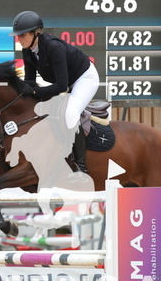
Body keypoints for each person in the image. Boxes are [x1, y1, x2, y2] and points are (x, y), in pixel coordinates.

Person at [10, 10, 99, 173]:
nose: (19, 39)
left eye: (22, 35)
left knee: (70, 113)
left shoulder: (53, 47)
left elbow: (61, 87)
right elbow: (29, 81)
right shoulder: (27, 50)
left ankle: (81, 167)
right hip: (65, 80)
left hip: (84, 78)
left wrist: (34, 92)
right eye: (18, 36)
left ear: (35, 33)